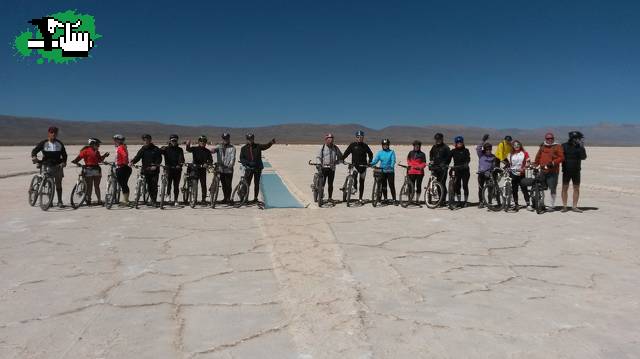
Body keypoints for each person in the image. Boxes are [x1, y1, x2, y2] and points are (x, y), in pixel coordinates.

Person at [31, 126, 68, 208]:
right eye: (52, 132)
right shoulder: (43, 143)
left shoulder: (59, 143)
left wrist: (64, 162)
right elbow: (34, 151)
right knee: (49, 184)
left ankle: (59, 201)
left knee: (58, 184)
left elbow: (64, 155)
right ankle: (50, 201)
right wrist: (34, 157)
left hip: (58, 166)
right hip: (46, 165)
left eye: (55, 132)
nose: (53, 134)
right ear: (48, 133)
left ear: (57, 134)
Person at [71, 138, 109, 206]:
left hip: (89, 170)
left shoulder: (88, 151)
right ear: (92, 144)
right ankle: (98, 200)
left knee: (90, 186)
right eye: (97, 144)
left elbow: (77, 159)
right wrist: (104, 156)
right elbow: (99, 160)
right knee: (95, 186)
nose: (98, 146)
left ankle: (90, 200)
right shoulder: (91, 151)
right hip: (95, 170)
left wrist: (76, 162)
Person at [239, 133, 276, 202]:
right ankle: (244, 198)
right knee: (247, 183)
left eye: (251, 139)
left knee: (256, 183)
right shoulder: (243, 148)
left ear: (253, 139)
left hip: (257, 168)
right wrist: (248, 163)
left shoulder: (258, 146)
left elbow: (265, 146)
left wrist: (271, 143)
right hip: (248, 168)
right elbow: (241, 158)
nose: (250, 140)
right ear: (247, 139)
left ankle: (255, 198)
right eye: (249, 139)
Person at [341, 130, 374, 204]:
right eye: (358, 137)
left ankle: (360, 198)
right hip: (355, 165)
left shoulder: (365, 146)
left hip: (363, 166)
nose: (360, 138)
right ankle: (354, 187)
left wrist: (370, 161)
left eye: (361, 137)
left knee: (362, 183)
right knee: (354, 176)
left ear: (363, 138)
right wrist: (342, 159)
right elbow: (346, 153)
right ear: (356, 137)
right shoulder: (352, 145)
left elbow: (370, 154)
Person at [534, 132, 564, 211]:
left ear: (553, 138)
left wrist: (553, 162)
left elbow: (561, 157)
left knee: (552, 188)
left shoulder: (558, 146)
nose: (550, 140)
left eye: (551, 138)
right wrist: (535, 164)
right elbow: (538, 156)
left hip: (553, 171)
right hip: (543, 170)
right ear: (545, 139)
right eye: (548, 138)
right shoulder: (542, 146)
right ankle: (542, 203)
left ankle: (552, 205)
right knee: (541, 187)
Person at [130, 134, 163, 206]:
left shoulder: (155, 149)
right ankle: (143, 196)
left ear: (150, 140)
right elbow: (138, 157)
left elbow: (159, 158)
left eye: (147, 139)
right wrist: (132, 162)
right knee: (148, 185)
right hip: (145, 169)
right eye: (144, 140)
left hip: (154, 170)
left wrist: (155, 165)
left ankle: (153, 201)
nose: (146, 141)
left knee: (153, 185)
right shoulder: (143, 149)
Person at [561, 131, 587, 213]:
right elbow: (560, 156)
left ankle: (574, 207)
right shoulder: (564, 146)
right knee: (565, 188)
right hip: (566, 170)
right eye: (579, 138)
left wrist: (582, 147)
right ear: (574, 138)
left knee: (576, 188)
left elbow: (583, 157)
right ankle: (564, 206)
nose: (580, 140)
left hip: (576, 171)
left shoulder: (580, 147)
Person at [186, 135, 213, 204]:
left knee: (203, 184)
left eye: (204, 141)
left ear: (206, 142)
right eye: (201, 141)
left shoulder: (207, 151)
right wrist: (187, 145)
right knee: (195, 183)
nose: (202, 142)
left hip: (202, 169)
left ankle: (203, 199)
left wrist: (207, 163)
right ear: (198, 142)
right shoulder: (195, 149)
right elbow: (188, 150)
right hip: (195, 169)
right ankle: (193, 198)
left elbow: (210, 160)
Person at [315, 133, 342, 203]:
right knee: (322, 184)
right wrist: (318, 164)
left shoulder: (335, 148)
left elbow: (340, 156)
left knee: (330, 184)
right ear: (326, 140)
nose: (330, 141)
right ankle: (320, 197)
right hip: (323, 168)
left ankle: (330, 198)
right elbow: (318, 157)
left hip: (332, 169)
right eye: (329, 139)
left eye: (332, 139)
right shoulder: (322, 148)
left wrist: (338, 161)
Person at [211, 133, 236, 204]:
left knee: (228, 185)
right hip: (221, 169)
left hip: (228, 169)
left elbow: (233, 158)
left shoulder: (232, 148)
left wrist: (230, 165)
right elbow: (214, 150)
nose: (225, 140)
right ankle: (225, 198)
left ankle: (228, 198)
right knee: (223, 184)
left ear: (229, 139)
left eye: (227, 138)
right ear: (222, 139)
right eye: (224, 138)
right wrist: (212, 151)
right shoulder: (219, 147)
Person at [507, 140, 532, 211]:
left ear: (520, 145)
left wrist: (524, 168)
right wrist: (509, 169)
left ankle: (528, 204)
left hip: (521, 174)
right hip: (513, 174)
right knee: (514, 190)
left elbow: (528, 162)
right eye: (515, 145)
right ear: (513, 146)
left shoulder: (524, 153)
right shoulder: (511, 154)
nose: (516, 146)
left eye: (518, 145)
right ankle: (516, 204)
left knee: (524, 189)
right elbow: (511, 164)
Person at [370, 139, 397, 205]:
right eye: (384, 145)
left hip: (390, 171)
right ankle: (385, 199)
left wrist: (391, 165)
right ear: (382, 145)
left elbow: (393, 160)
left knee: (391, 185)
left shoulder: (392, 152)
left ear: (388, 145)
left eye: (386, 145)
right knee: (384, 186)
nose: (385, 146)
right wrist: (371, 164)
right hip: (382, 171)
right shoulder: (380, 153)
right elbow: (376, 160)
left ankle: (394, 199)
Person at [161, 134, 185, 206]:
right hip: (169, 168)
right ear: (170, 141)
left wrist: (180, 165)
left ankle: (176, 199)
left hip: (177, 169)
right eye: (172, 140)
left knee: (176, 185)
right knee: (168, 184)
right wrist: (160, 149)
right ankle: (168, 195)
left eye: (175, 140)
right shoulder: (166, 149)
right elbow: (158, 153)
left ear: (177, 141)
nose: (174, 142)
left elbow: (182, 158)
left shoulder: (180, 149)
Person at [476, 134, 499, 209]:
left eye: (490, 149)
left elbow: (494, 166)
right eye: (487, 149)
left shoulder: (493, 157)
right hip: (481, 174)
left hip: (489, 175)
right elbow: (478, 148)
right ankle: (481, 202)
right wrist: (483, 140)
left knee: (490, 189)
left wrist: (493, 171)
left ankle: (489, 202)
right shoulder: (481, 155)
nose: (488, 151)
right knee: (481, 189)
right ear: (484, 149)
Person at [429, 133, 451, 206]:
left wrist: (444, 164)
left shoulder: (446, 147)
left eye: (439, 139)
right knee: (436, 183)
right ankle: (440, 199)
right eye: (437, 139)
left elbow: (449, 157)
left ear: (442, 139)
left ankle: (443, 200)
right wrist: (431, 161)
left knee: (442, 184)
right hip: (435, 167)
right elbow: (431, 154)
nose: (438, 141)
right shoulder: (434, 147)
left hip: (443, 169)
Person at [450, 136, 471, 207]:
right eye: (458, 142)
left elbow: (468, 159)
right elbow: (448, 158)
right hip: (457, 170)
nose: (459, 144)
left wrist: (466, 164)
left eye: (460, 142)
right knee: (457, 186)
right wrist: (445, 164)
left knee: (465, 185)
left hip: (465, 171)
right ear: (455, 143)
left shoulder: (466, 150)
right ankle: (459, 201)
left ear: (462, 143)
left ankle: (465, 201)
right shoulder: (453, 151)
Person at [113, 134, 132, 206]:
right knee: (124, 184)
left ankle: (126, 201)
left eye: (115, 140)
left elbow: (124, 155)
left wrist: (123, 163)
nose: (114, 141)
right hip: (125, 168)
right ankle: (125, 199)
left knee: (123, 184)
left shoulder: (120, 147)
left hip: (122, 168)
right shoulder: (123, 147)